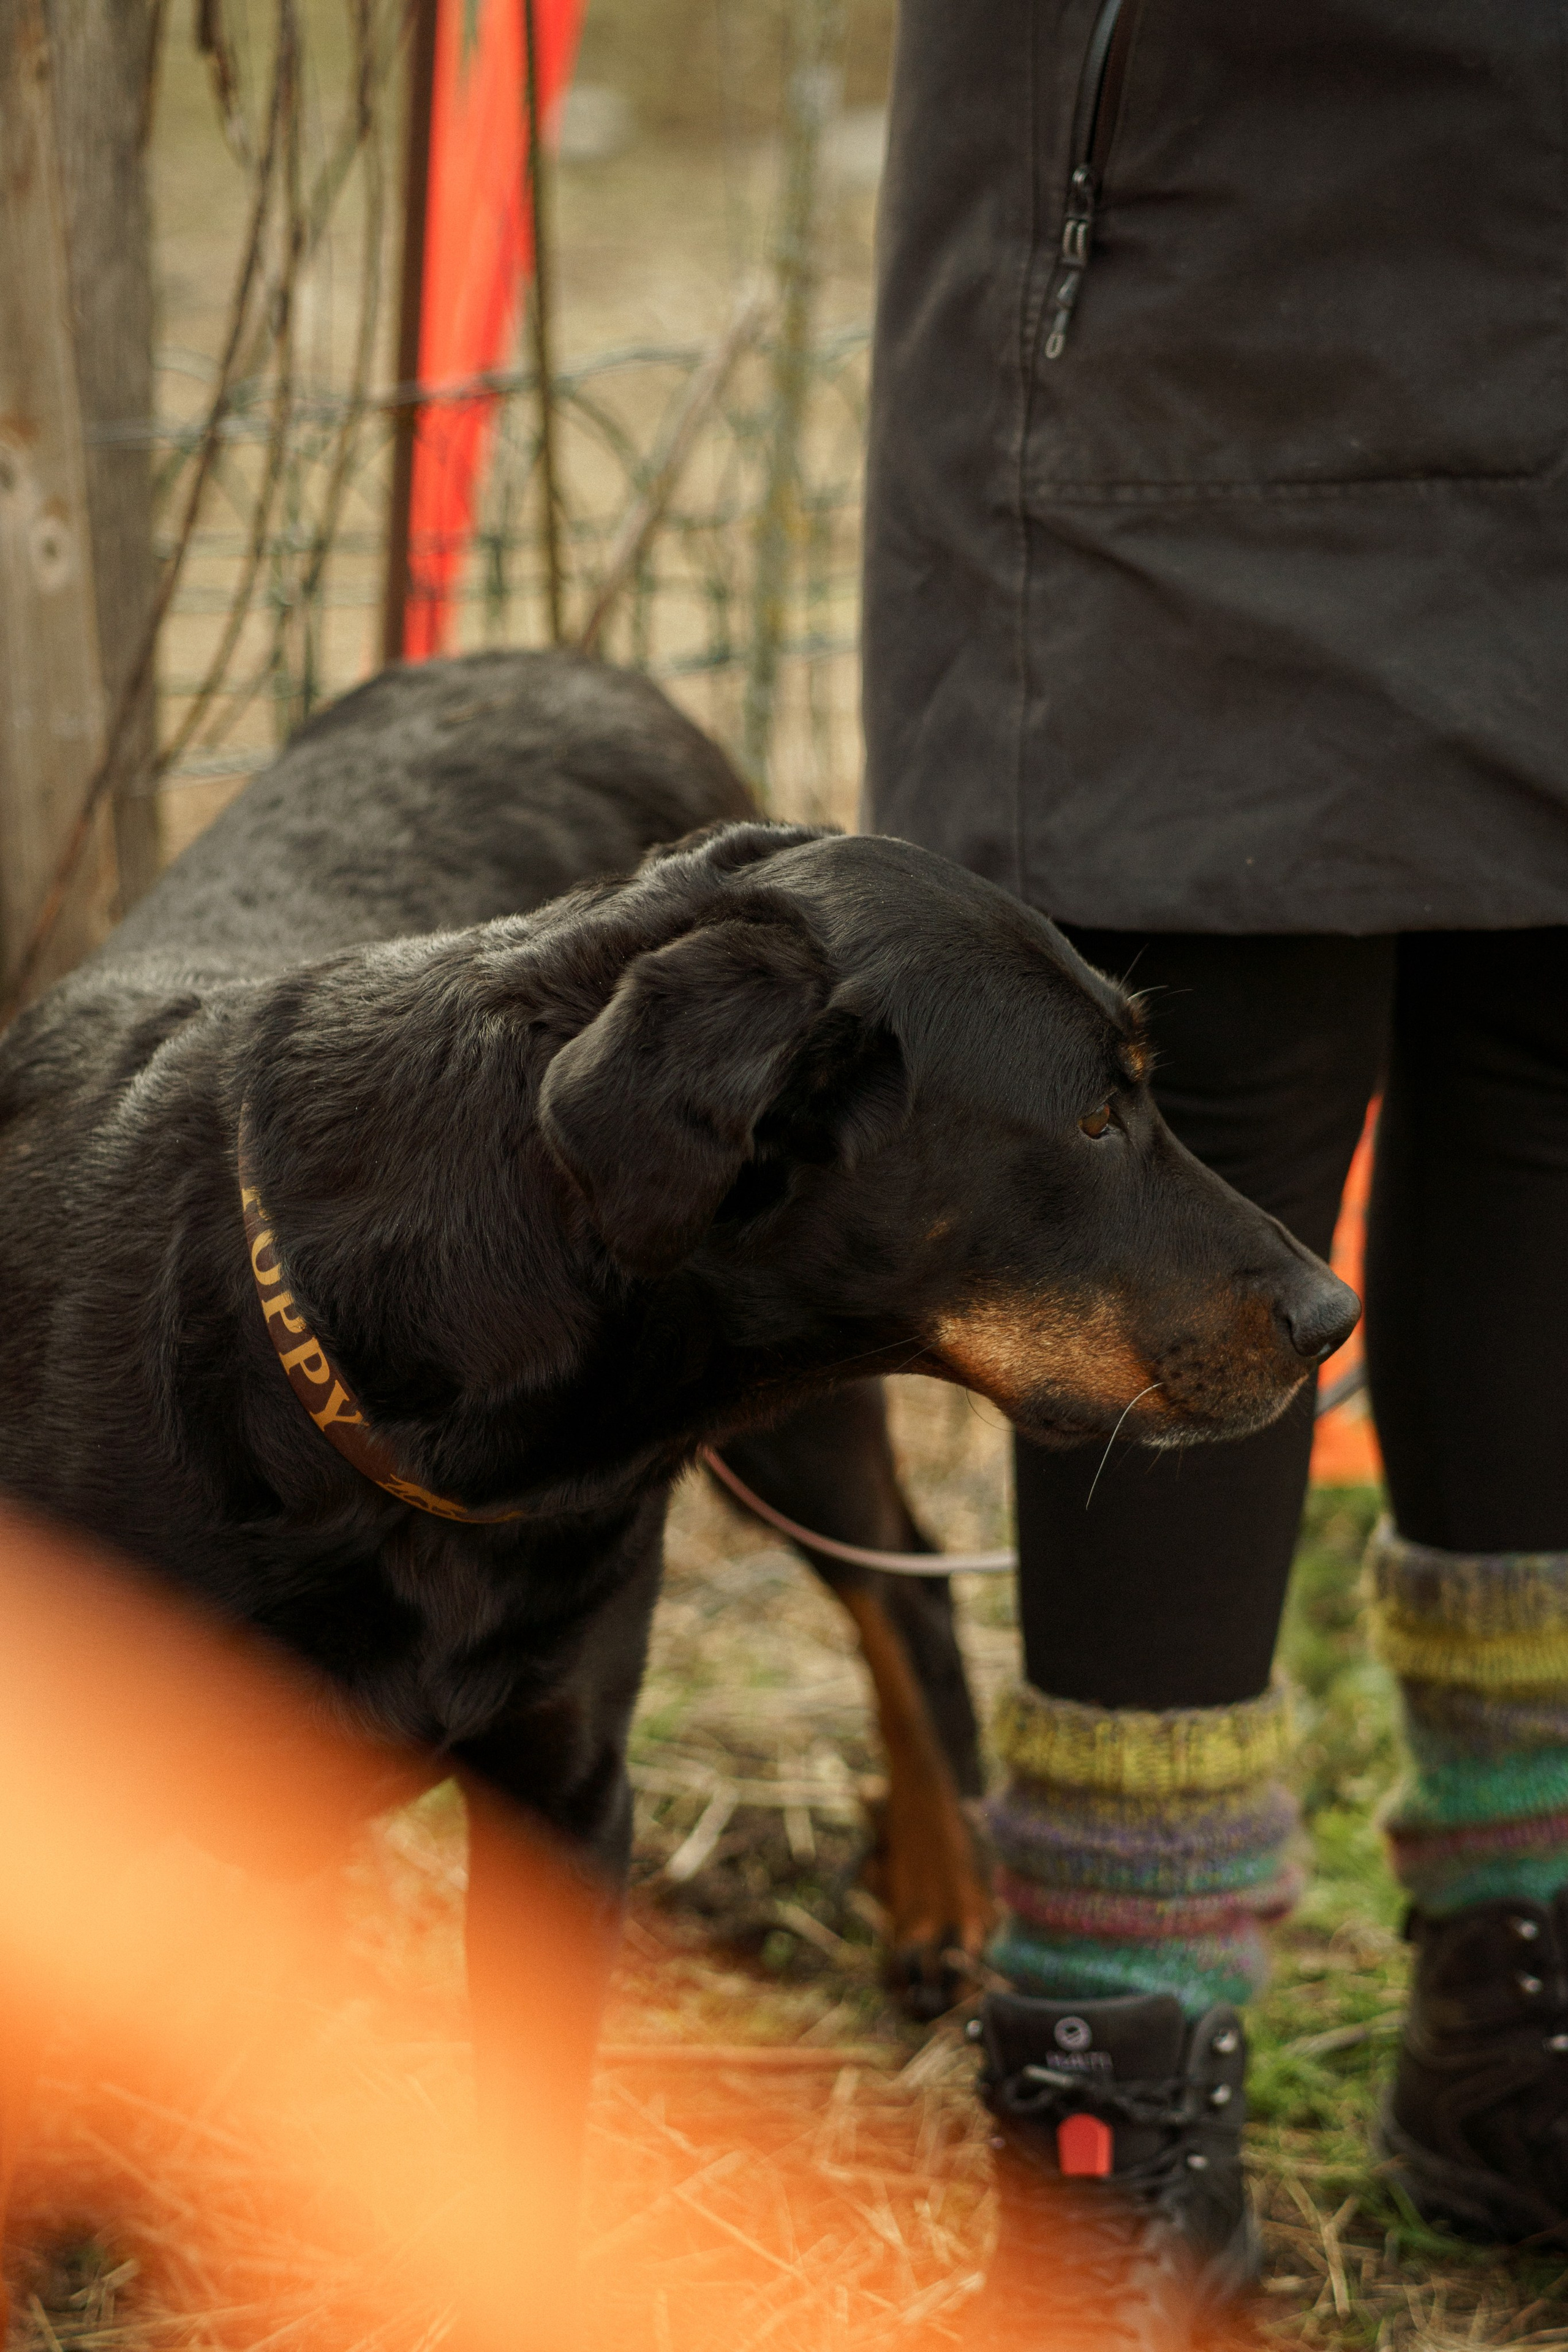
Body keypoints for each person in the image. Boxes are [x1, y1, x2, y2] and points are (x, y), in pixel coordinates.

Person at [860, 0, 1568, 2335]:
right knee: (1194, 1084)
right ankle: (1110, 2072)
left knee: (1551, 1070)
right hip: (1185, 236)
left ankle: (1524, 1995)